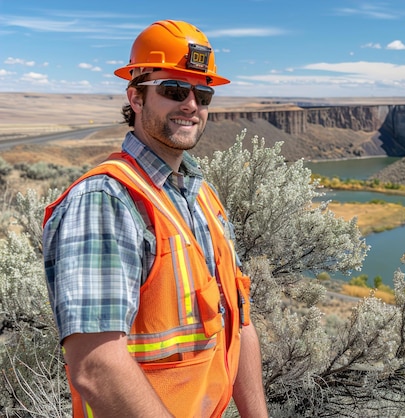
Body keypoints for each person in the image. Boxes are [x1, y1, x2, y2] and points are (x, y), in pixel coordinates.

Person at [42, 20, 268, 418]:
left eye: (203, 94)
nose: (191, 106)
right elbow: (96, 366)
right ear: (136, 97)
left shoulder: (202, 198)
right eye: (174, 91)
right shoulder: (105, 200)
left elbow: (240, 321)